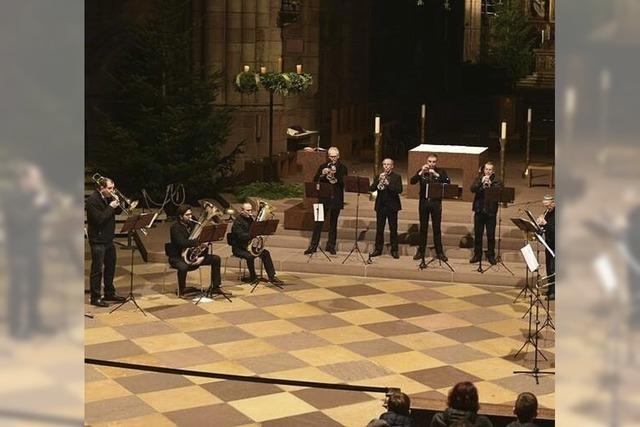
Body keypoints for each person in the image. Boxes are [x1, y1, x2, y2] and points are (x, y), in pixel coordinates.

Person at [166, 204, 226, 297]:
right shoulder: (175, 227)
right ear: (180, 216)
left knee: (216, 259)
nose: (190, 217)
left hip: (193, 257)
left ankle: (216, 286)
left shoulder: (193, 224)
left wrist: (201, 254)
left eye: (190, 214)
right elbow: (181, 242)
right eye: (187, 215)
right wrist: (198, 242)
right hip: (177, 257)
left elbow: (200, 240)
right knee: (183, 267)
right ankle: (182, 290)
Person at [85, 176, 127, 307]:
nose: (112, 191)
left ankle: (109, 292)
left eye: (113, 188)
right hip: (97, 240)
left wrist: (120, 202)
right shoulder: (92, 201)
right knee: (97, 269)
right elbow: (99, 220)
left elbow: (119, 211)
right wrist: (110, 207)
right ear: (101, 188)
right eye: (110, 188)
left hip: (108, 238)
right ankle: (95, 297)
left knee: (110, 266)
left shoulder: (109, 197)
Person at [305, 146, 348, 255]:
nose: (333, 159)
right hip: (322, 198)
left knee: (333, 223)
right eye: (331, 156)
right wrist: (322, 174)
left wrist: (335, 176)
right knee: (318, 223)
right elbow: (315, 180)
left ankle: (331, 245)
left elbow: (344, 183)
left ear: (338, 156)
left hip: (336, 199)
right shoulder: (323, 166)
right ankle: (313, 246)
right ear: (328, 156)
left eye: (335, 157)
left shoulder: (343, 168)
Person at [229, 202, 284, 285]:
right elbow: (240, 236)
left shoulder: (250, 219)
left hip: (248, 246)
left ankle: (272, 277)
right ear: (242, 211)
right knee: (250, 256)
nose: (250, 212)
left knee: (265, 253)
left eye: (251, 210)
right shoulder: (237, 222)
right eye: (248, 210)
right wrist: (252, 235)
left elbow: (254, 231)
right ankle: (252, 277)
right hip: (239, 248)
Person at [409, 153, 450, 261]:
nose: (431, 164)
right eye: (429, 161)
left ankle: (439, 252)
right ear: (427, 161)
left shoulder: (440, 171)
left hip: (436, 204)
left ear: (436, 162)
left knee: (437, 229)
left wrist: (436, 174)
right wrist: (421, 172)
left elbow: (447, 181)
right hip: (424, 203)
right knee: (423, 228)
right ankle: (421, 251)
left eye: (433, 162)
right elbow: (412, 181)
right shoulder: (422, 171)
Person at [369, 158, 403, 259]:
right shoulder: (378, 176)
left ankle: (394, 250)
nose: (386, 166)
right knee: (379, 229)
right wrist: (378, 180)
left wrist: (388, 184)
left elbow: (399, 190)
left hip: (392, 206)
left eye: (388, 165)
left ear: (392, 166)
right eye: (384, 164)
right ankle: (378, 249)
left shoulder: (397, 177)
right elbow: (371, 189)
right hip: (381, 206)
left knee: (393, 229)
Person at [469, 162, 502, 265]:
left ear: (493, 171)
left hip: (491, 212)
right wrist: (481, 183)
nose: (488, 171)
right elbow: (472, 189)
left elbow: (499, 192)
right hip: (479, 210)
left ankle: (491, 255)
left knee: (490, 235)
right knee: (478, 234)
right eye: (486, 169)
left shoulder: (497, 181)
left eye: (490, 170)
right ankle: (477, 254)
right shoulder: (479, 178)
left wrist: (490, 185)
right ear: (484, 170)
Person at [536, 195, 555, 299]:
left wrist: (546, 223)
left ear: (553, 203)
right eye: (545, 206)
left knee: (553, 268)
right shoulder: (547, 212)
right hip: (549, 243)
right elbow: (544, 227)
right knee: (548, 267)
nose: (547, 208)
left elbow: (554, 229)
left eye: (548, 206)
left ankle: (554, 292)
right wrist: (539, 223)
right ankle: (550, 289)